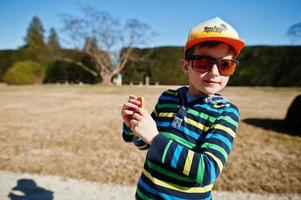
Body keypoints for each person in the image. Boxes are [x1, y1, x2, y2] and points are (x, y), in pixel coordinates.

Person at [121, 17, 245, 200]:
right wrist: (133, 124)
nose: (215, 72)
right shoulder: (168, 98)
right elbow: (146, 145)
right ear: (186, 66)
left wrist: (155, 138)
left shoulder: (226, 112)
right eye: (203, 62)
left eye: (225, 64)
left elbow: (207, 171)